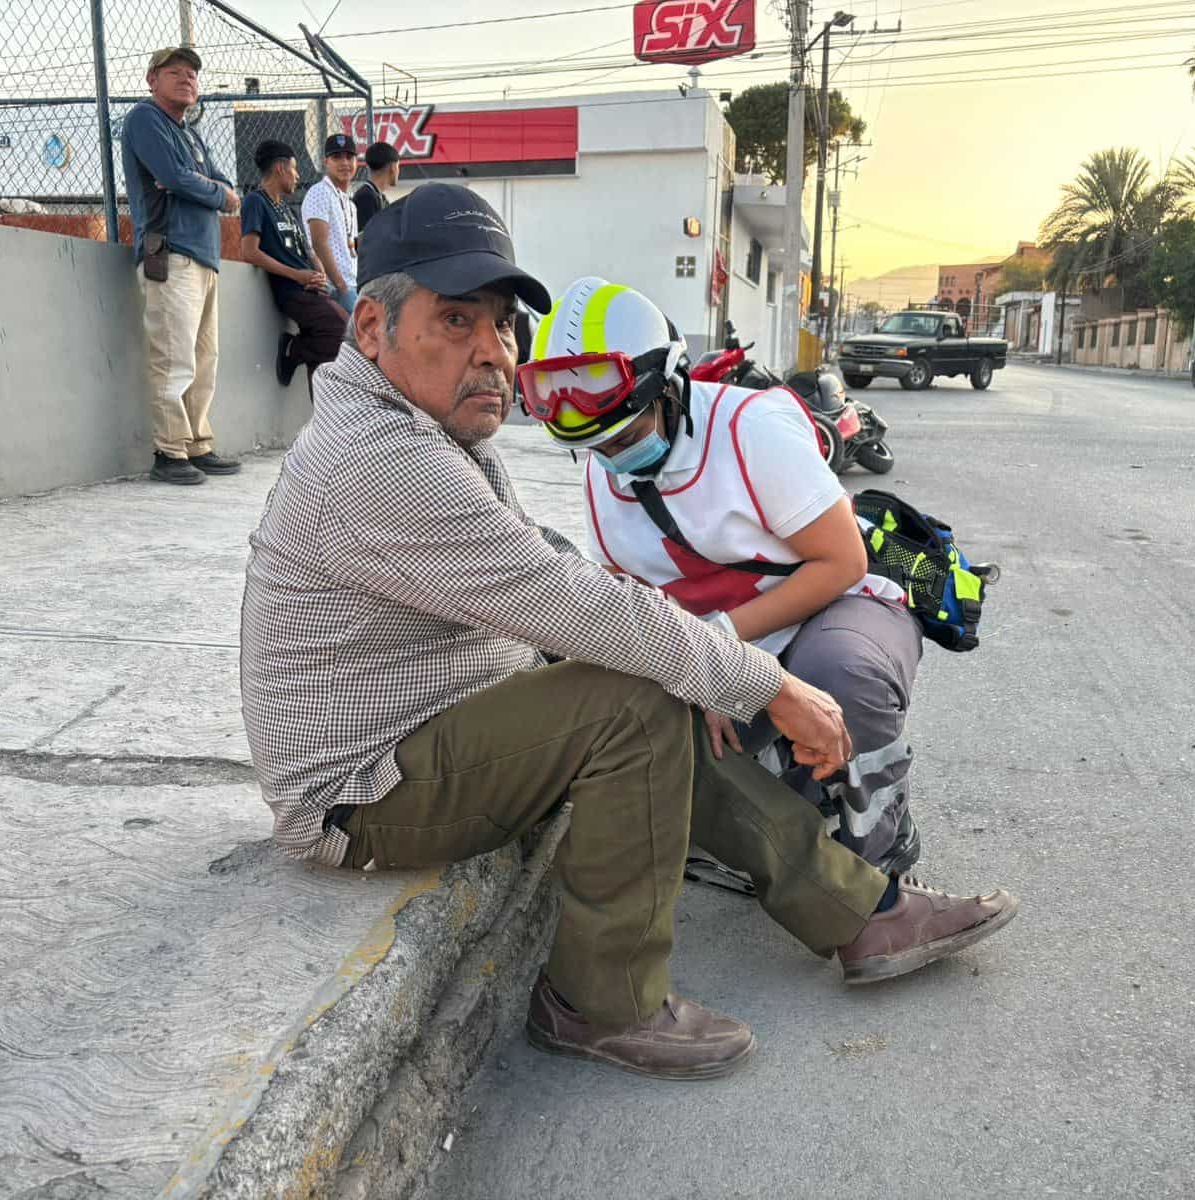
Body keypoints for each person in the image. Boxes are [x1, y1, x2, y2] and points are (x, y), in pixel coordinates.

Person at [240, 183, 1019, 1081]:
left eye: (500, 326)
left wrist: (696, 656)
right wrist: (766, 683)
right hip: (361, 789)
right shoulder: (379, 458)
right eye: (456, 322)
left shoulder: (418, 428)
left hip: (434, 729)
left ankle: (859, 912)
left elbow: (550, 569)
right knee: (629, 695)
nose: (491, 354)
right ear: (372, 330)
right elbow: (565, 601)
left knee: (647, 672)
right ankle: (598, 1001)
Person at [523, 278, 985, 885]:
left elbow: (841, 563)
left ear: (670, 389)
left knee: (841, 677)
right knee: (636, 712)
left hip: (830, 609)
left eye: (624, 436)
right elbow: (626, 595)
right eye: (593, 447)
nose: (610, 457)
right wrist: (695, 670)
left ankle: (881, 855)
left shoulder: (749, 429)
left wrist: (715, 655)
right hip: (721, 641)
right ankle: (787, 799)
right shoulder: (605, 468)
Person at [119, 46, 244, 485]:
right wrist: (211, 191)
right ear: (152, 79)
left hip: (205, 257)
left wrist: (205, 186)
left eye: (192, 73)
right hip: (168, 251)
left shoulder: (189, 132)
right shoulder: (144, 119)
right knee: (173, 358)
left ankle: (196, 443)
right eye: (175, 71)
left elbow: (221, 183)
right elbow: (174, 178)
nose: (187, 78)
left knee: (204, 358)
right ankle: (169, 451)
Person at [239, 140, 350, 389]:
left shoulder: (287, 209)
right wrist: (297, 276)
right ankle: (294, 349)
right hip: (291, 291)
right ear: (280, 168)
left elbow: (308, 249)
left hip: (310, 289)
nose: (297, 175)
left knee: (324, 362)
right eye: (294, 168)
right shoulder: (256, 202)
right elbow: (249, 252)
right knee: (342, 329)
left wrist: (319, 271)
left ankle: (320, 420)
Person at [302, 132, 360, 313]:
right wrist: (341, 286)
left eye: (349, 157)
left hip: (351, 284)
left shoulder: (349, 203)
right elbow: (319, 242)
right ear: (325, 162)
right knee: (364, 337)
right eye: (336, 157)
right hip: (333, 287)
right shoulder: (320, 192)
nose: (344, 163)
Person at [351, 141, 399, 234]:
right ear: (392, 168)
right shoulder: (366, 197)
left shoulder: (377, 195)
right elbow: (367, 238)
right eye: (398, 166)